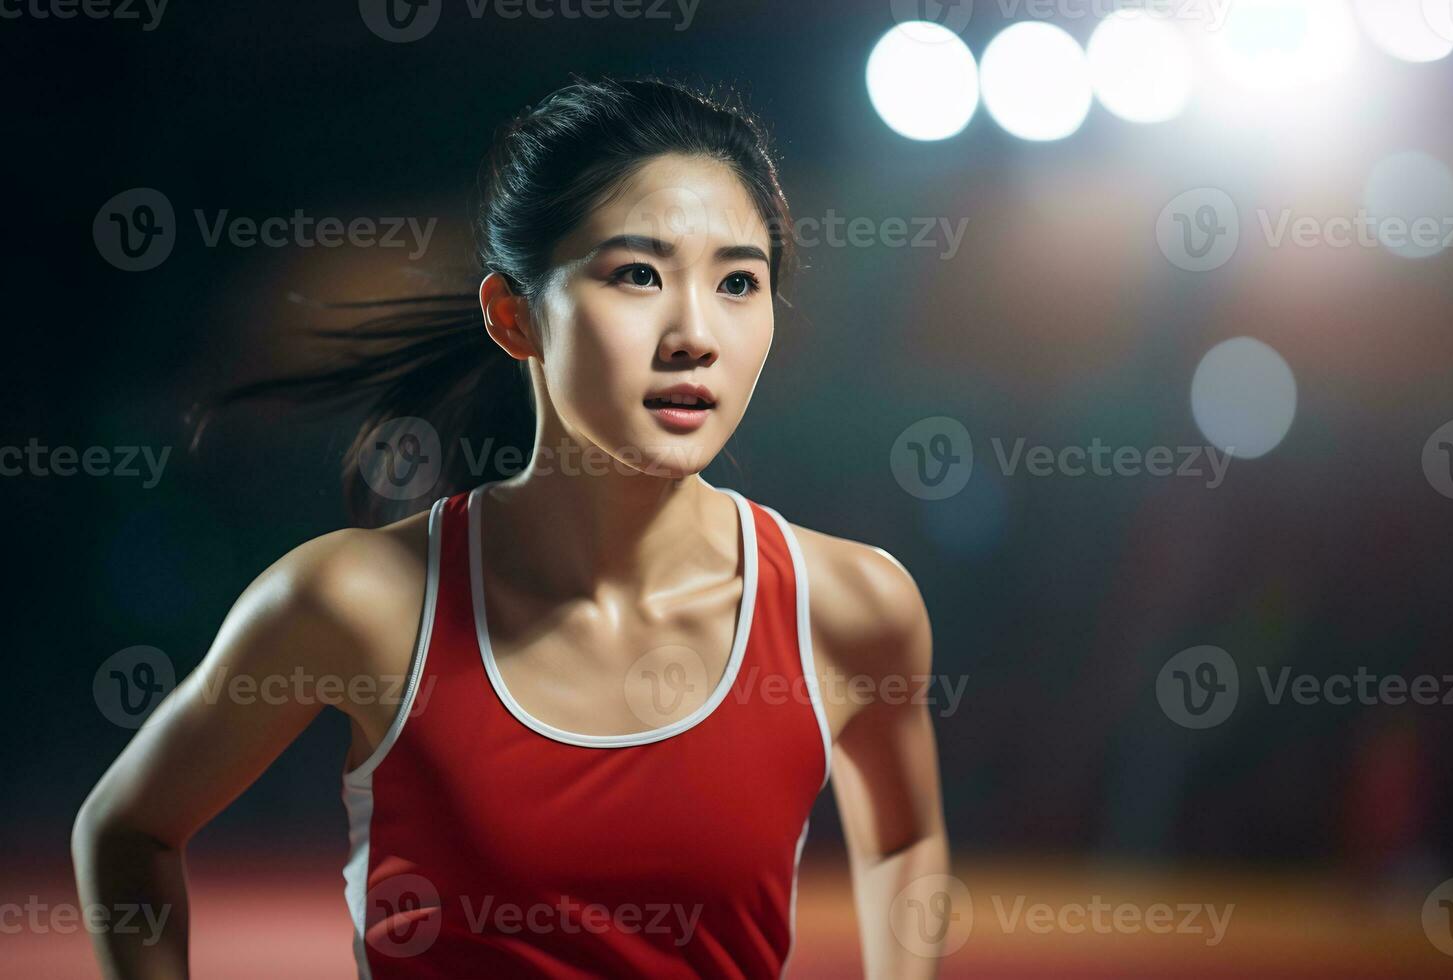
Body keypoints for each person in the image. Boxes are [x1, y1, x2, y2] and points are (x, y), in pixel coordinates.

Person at [73, 75, 951, 979]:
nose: (694, 333)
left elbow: (902, 843)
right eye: (637, 274)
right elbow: (128, 831)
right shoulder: (355, 602)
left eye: (738, 281)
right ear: (513, 315)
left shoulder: (849, 608)